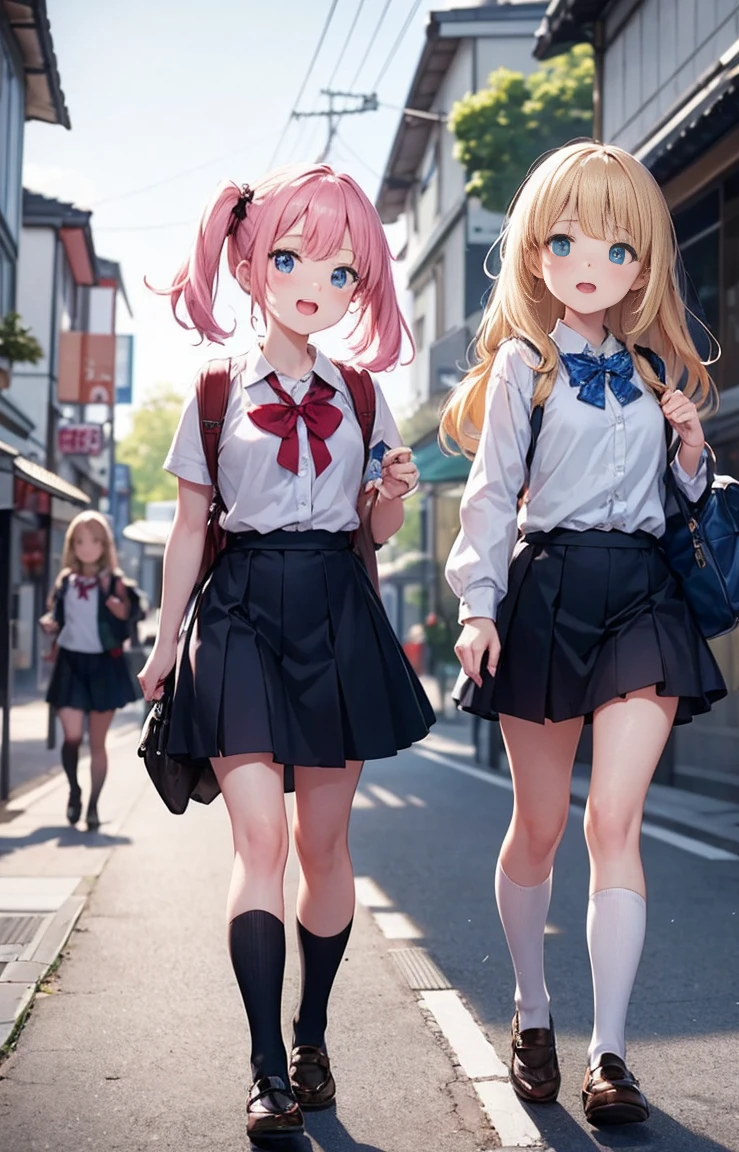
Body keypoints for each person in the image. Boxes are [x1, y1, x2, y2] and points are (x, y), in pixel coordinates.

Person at [137, 164, 435, 1139]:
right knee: (259, 841)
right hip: (239, 616)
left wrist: (391, 488)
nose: (317, 283)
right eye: (293, 258)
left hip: (337, 610)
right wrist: (163, 636)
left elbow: (379, 529)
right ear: (252, 263)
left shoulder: (361, 393)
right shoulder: (217, 392)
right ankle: (266, 1068)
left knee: (324, 845)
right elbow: (189, 529)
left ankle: (311, 1034)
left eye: (343, 270)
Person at [441, 141, 725, 1126]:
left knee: (614, 821)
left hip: (644, 594)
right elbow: (490, 496)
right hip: (549, 586)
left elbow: (682, 503)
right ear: (536, 255)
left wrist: (691, 452)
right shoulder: (526, 364)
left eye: (613, 245)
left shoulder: (656, 372)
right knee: (543, 826)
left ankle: (610, 1053)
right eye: (566, 240)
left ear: (642, 263)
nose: (590, 261)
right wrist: (477, 606)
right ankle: (532, 1007)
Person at [40, 510, 141, 831]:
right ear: (72, 544)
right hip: (70, 662)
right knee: (71, 737)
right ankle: (74, 791)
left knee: (97, 744)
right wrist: (50, 624)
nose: (87, 547)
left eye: (95, 541)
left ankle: (94, 806)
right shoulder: (66, 580)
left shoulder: (115, 582)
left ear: (104, 545)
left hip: (103, 664)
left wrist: (119, 608)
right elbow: (56, 615)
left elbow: (129, 618)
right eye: (81, 541)